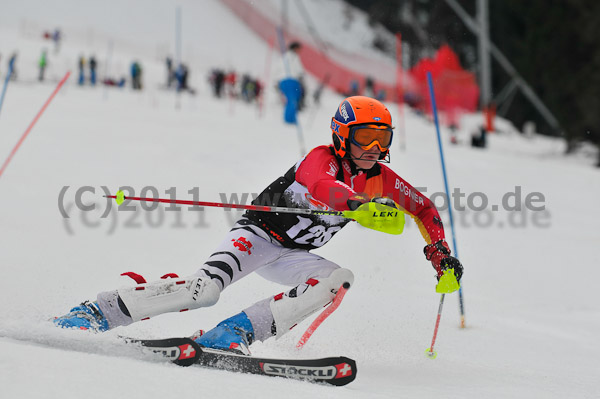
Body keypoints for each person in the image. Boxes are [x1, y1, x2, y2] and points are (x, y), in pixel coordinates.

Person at [53, 96, 463, 355]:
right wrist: (358, 206)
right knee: (204, 291)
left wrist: (439, 254)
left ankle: (235, 332)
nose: (375, 149)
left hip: (293, 256)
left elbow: (424, 209)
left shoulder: (382, 179)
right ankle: (100, 310)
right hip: (257, 236)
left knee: (338, 279)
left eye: (383, 138)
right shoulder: (320, 159)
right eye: (365, 138)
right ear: (341, 137)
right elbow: (322, 186)